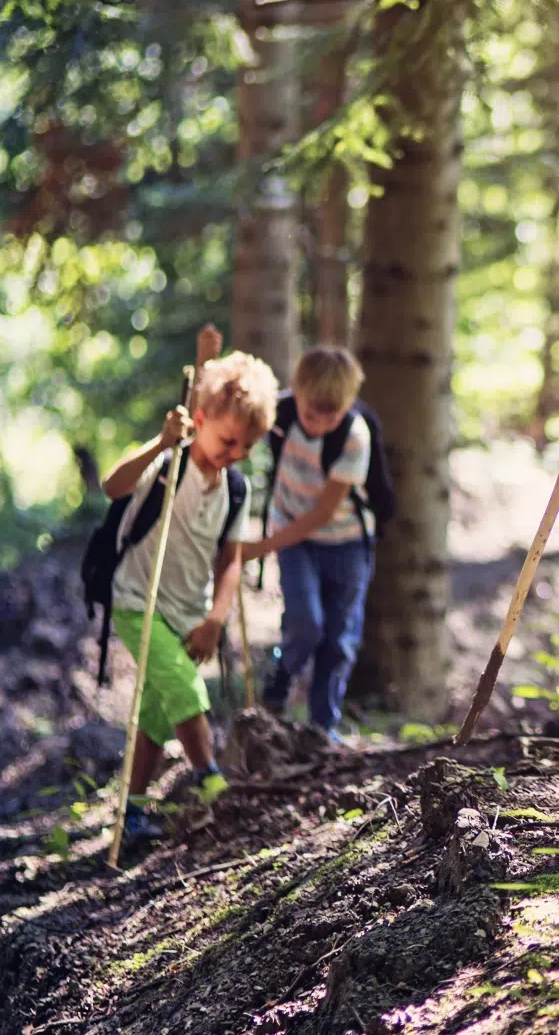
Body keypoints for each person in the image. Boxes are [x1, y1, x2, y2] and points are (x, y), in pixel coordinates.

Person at [101, 329, 278, 837]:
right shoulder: (168, 462)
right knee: (184, 688)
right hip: (139, 600)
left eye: (247, 446)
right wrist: (160, 441)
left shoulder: (236, 489)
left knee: (158, 714)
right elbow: (112, 486)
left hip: (189, 611)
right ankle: (212, 783)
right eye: (227, 441)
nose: (235, 452)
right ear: (199, 422)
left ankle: (132, 809)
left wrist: (215, 618)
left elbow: (230, 559)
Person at [243, 347, 375, 743]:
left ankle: (322, 727)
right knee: (305, 623)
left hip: (348, 544)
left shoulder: (354, 435)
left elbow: (322, 514)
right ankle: (280, 676)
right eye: (310, 414)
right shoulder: (278, 415)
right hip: (295, 540)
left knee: (338, 639)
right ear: (295, 393)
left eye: (330, 416)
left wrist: (259, 548)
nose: (318, 424)